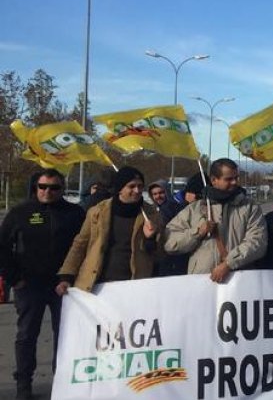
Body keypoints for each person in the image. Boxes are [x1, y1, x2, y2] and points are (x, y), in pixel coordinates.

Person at [0, 169, 85, 400]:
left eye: (54, 188)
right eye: (43, 187)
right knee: (27, 334)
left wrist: (70, 278)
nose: (48, 191)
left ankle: (62, 379)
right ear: (35, 187)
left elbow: (84, 247)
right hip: (29, 284)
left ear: (62, 189)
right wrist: (14, 278)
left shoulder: (74, 213)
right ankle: (24, 383)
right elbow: (3, 247)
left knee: (65, 335)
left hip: (64, 285)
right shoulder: (20, 213)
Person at [56, 166, 163, 293]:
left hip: (132, 285)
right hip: (96, 283)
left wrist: (149, 239)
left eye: (140, 186)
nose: (137, 190)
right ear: (120, 189)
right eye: (132, 186)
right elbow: (80, 244)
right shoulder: (98, 212)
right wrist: (66, 276)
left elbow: (160, 255)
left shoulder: (151, 215)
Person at [164, 158, 267, 283]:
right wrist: (197, 232)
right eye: (228, 179)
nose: (234, 182)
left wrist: (229, 263)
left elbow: (257, 241)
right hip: (202, 282)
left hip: (238, 282)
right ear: (214, 180)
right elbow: (170, 242)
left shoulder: (250, 207)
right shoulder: (195, 209)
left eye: (236, 177)